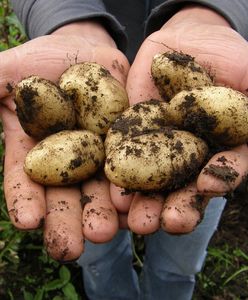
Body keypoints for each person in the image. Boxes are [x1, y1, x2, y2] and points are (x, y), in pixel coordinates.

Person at [1, 1, 248, 299]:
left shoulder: (181, 113)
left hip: (207, 140)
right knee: (98, 253)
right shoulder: (100, 130)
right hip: (97, 59)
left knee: (180, 253)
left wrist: (211, 13)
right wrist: (70, 20)